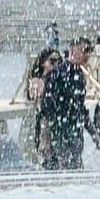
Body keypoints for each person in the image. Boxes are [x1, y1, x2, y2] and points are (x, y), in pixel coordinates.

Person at [40, 41, 90, 171]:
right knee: (64, 169)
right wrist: (45, 138)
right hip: (60, 130)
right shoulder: (58, 74)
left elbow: (81, 107)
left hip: (72, 131)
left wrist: (92, 132)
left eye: (89, 51)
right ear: (73, 51)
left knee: (73, 168)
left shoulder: (79, 76)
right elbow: (46, 107)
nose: (87, 55)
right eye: (84, 50)